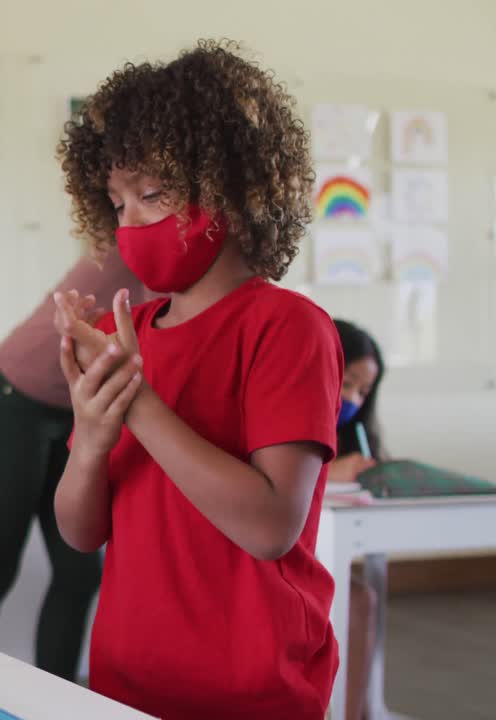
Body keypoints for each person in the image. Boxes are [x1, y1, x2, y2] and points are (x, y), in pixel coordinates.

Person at [53, 40, 341, 717]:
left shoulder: (286, 327)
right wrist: (93, 437)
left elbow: (271, 526)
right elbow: (79, 531)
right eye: (116, 202)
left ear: (235, 189)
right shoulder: (137, 332)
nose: (129, 225)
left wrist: (139, 404)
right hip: (128, 679)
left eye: (152, 195)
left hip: (251, 687)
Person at [0, 249, 146, 681]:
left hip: (74, 409)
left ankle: (55, 701)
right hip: (12, 398)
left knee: (80, 573)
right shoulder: (137, 243)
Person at [331, 318, 388, 720]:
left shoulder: (354, 438)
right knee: (359, 599)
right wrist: (328, 472)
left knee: (364, 596)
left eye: (363, 391)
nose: (352, 398)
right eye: (347, 382)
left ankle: (361, 708)